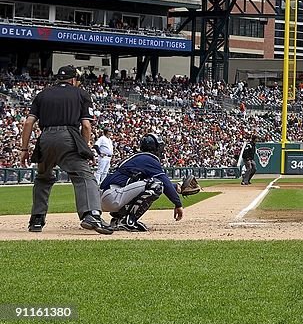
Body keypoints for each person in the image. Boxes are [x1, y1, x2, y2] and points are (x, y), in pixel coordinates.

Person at [19, 65, 112, 234]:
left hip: (45, 138)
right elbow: (86, 126)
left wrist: (24, 149)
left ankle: (37, 220)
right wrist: (84, 149)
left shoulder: (42, 94)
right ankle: (91, 215)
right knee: (84, 176)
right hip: (69, 136)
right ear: (73, 79)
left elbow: (28, 123)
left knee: (43, 178)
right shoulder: (81, 93)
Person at [99, 133, 184, 231]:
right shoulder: (149, 159)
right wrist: (178, 204)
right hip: (112, 196)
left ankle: (119, 219)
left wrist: (176, 188)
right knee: (156, 186)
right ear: (154, 148)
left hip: (106, 196)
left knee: (152, 184)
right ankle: (128, 221)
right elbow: (163, 181)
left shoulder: (138, 157)